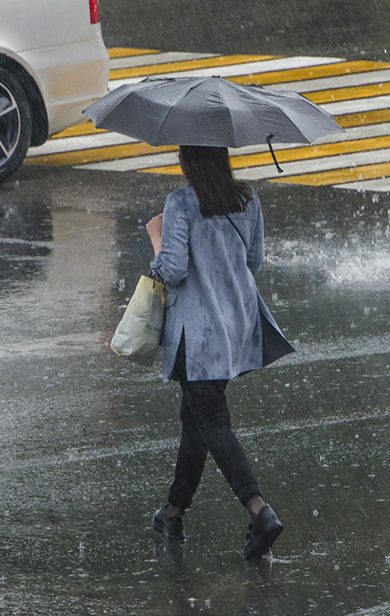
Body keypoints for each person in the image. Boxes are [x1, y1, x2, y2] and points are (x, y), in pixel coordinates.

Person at [145, 145, 294, 560]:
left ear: (189, 161)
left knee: (210, 417)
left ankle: (259, 510)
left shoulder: (181, 203)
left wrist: (156, 237)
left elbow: (171, 270)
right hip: (235, 327)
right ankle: (173, 510)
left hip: (197, 334)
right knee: (196, 418)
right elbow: (254, 260)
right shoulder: (247, 199)